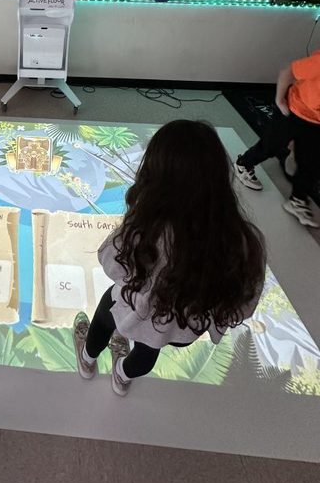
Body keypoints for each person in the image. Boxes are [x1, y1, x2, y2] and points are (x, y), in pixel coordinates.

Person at [73, 120, 266, 396]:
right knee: (149, 347)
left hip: (134, 308)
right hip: (184, 327)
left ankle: (87, 359)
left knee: (106, 317)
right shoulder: (246, 240)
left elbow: (110, 263)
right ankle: (121, 376)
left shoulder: (147, 228)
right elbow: (245, 303)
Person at [234, 51, 320, 228]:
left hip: (316, 122)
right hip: (293, 110)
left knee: (310, 162)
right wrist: (280, 100)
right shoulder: (318, 62)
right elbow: (287, 72)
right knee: (271, 145)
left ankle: (297, 200)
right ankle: (243, 164)